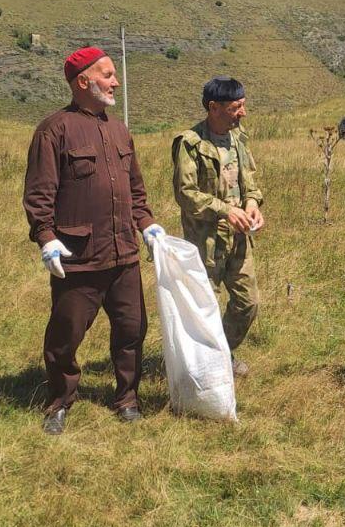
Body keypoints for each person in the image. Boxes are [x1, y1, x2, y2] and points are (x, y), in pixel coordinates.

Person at [23, 46, 164, 434]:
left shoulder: (119, 130)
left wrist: (147, 223)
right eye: (107, 75)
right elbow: (39, 194)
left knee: (132, 329)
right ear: (82, 81)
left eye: (114, 75)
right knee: (65, 335)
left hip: (124, 256)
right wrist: (46, 238)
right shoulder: (54, 130)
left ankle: (127, 399)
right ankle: (59, 401)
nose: (116, 82)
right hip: (79, 257)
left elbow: (135, 189)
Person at [172, 77, 264, 376]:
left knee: (247, 303)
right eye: (236, 107)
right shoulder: (191, 143)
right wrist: (226, 211)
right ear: (214, 107)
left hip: (239, 239)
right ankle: (201, 369)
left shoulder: (239, 138)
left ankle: (222, 353)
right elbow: (186, 195)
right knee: (204, 309)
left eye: (243, 106)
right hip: (205, 243)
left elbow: (249, 183)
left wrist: (252, 205)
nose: (243, 113)